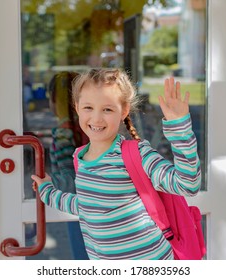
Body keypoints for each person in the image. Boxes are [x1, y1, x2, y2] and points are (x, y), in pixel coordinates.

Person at [32, 68, 201, 260]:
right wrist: (46, 190)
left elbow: (188, 184)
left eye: (107, 109)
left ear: (124, 111)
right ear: (77, 107)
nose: (96, 118)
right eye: (88, 108)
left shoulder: (137, 154)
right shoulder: (80, 158)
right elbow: (86, 206)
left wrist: (180, 129)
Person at [46, 71, 89, 259]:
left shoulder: (64, 133)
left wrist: (45, 183)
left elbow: (71, 180)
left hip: (77, 208)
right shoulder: (91, 128)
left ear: (57, 101)